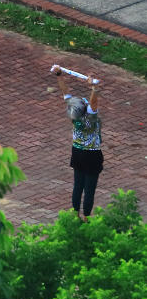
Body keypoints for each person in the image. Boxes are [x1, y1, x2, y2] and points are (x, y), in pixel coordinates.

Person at [53, 68, 103, 220]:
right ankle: (86, 217)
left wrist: (59, 74)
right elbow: (94, 101)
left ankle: (75, 214)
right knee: (89, 189)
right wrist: (93, 86)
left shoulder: (74, 114)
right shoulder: (91, 118)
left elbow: (65, 93)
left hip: (77, 152)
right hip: (92, 154)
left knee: (78, 186)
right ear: (85, 108)